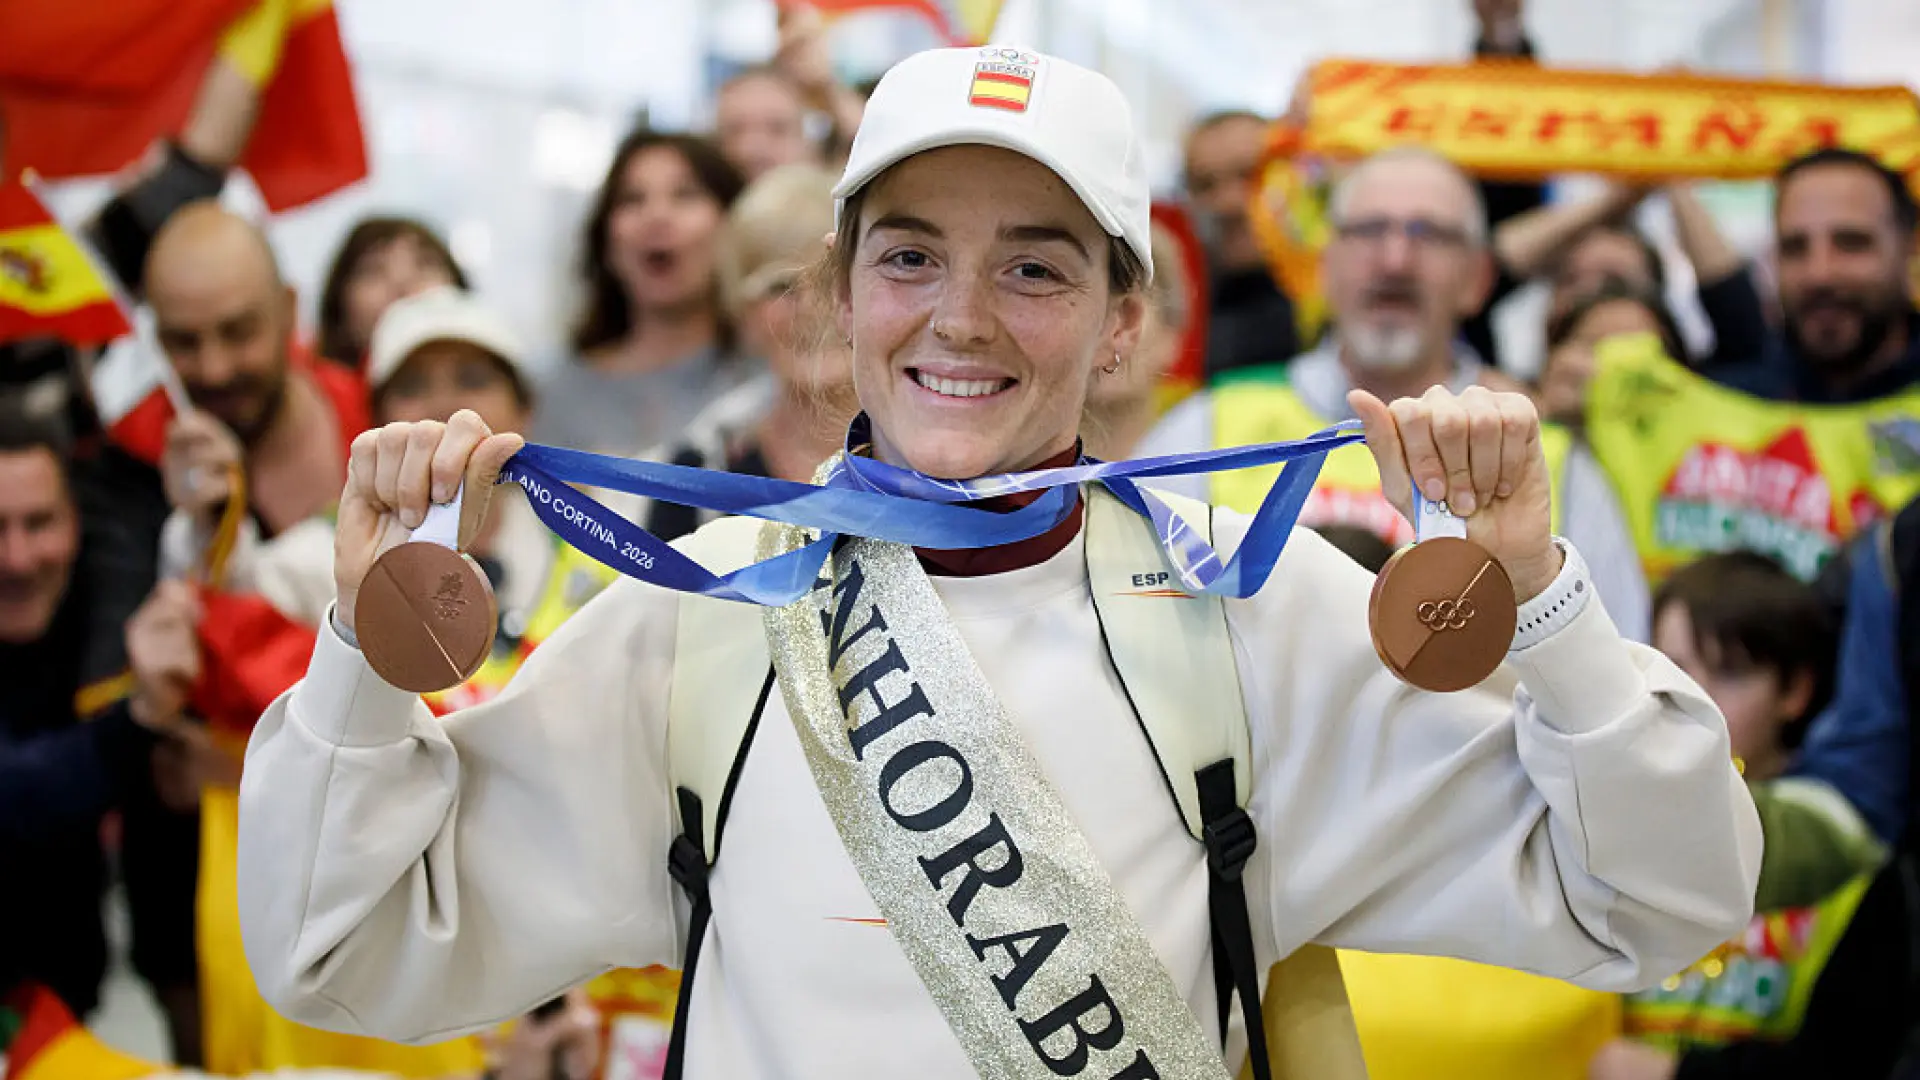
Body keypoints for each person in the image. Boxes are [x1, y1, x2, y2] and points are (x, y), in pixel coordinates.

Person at [235, 45, 1759, 1080]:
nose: (960, 318)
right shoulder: (698, 614)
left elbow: (1661, 903)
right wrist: (361, 658)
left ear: (1121, 323)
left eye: (1034, 264)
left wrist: (1547, 606)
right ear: (838, 299)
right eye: (910, 257)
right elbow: (343, 952)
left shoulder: (1253, 611)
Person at [1140, 146, 1651, 640]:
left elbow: (1615, 660)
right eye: (1369, 230)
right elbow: (1136, 623)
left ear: (1477, 280)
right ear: (1324, 265)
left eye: (1429, 234)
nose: (1395, 260)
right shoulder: (1211, 427)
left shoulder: (1541, 455)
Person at [1584, 552, 1909, 1080]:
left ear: (1796, 690)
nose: (1694, 697)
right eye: (1675, 668)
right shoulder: (1593, 823)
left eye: (1731, 673)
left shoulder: (1854, 865)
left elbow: (1855, 1059)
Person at [0, 401, 173, 1022]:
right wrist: (141, 715)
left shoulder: (105, 605)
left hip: (68, 1004)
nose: (17, 559)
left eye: (39, 522)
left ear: (77, 523)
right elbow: (16, 794)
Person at [631, 162, 858, 542]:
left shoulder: (937, 463)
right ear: (742, 314)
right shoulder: (699, 472)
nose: (812, 308)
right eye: (780, 286)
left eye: (832, 279)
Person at [533, 130, 750, 458]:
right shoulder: (557, 392)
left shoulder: (770, 383)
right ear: (605, 242)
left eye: (685, 194)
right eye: (632, 199)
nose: (657, 216)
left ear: (733, 223)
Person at [1706, 147, 1920, 403]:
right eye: (1794, 248)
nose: (1820, 274)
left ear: (1910, 247)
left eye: (1851, 243)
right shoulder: (1727, 409)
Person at [1492, 181, 1767, 370]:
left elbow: (1738, 315)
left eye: (1615, 281)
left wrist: (1672, 177)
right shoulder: (1510, 403)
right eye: (1572, 280)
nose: (1592, 296)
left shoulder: (1705, 400)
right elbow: (1485, 269)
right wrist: (1619, 197)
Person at [1181, 109, 1300, 377]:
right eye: (1205, 185)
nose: (1228, 203)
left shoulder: (1340, 307)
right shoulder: (1174, 319)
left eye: (1248, 175)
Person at [1083, 218, 1194, 461]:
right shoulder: (1008, 472)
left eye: (1131, 300)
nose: (1110, 325)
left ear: (1172, 336)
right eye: (1091, 293)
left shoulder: (1207, 450)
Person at [314, 216, 469, 371]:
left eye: (425, 262)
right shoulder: (304, 387)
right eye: (373, 270)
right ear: (338, 311)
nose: (404, 281)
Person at [1537, 282, 1687, 428]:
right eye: (1593, 346)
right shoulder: (1524, 424)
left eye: (1634, 351)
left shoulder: (1698, 439)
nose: (1601, 369)